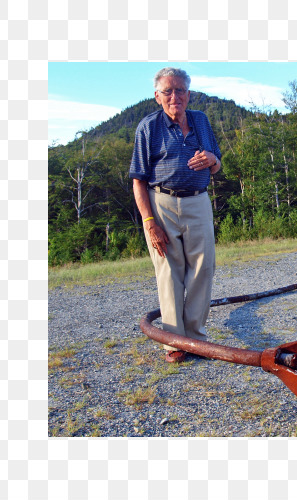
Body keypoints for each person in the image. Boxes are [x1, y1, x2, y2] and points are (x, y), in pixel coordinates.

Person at [129, 67, 223, 363]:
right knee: (169, 272)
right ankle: (173, 343)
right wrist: (148, 222)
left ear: (189, 94)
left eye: (180, 90)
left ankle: (196, 339)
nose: (174, 97)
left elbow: (216, 163)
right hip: (162, 205)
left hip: (198, 203)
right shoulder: (149, 127)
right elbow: (138, 180)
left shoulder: (201, 121)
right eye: (167, 91)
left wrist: (212, 160)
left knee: (202, 269)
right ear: (157, 96)